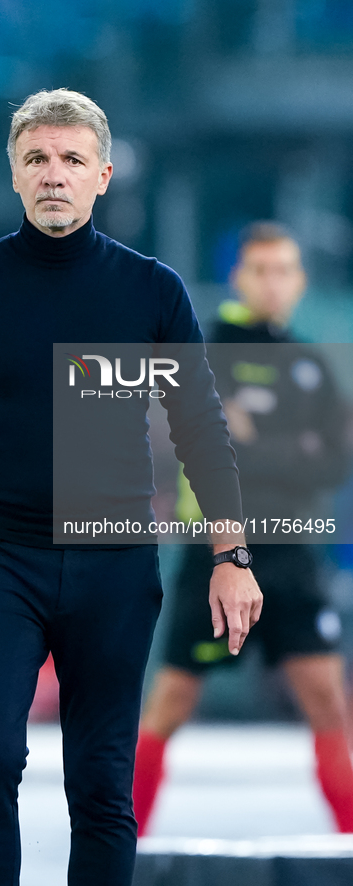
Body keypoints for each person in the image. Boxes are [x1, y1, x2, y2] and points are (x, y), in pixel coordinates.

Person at [0, 89, 262, 886]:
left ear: (103, 176)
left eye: (70, 159)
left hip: (115, 566)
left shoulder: (150, 290)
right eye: (36, 159)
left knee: (99, 783)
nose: (52, 174)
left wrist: (233, 552)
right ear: (14, 177)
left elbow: (202, 429)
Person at [133, 222, 353, 836]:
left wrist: (270, 447)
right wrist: (292, 448)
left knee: (330, 705)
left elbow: (334, 460)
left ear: (301, 281)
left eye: (285, 270)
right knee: (171, 705)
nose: (273, 282)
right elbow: (218, 448)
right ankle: (119, 848)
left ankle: (350, 845)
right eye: (261, 270)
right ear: (240, 278)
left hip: (292, 552)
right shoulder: (208, 352)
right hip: (220, 552)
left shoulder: (308, 361)